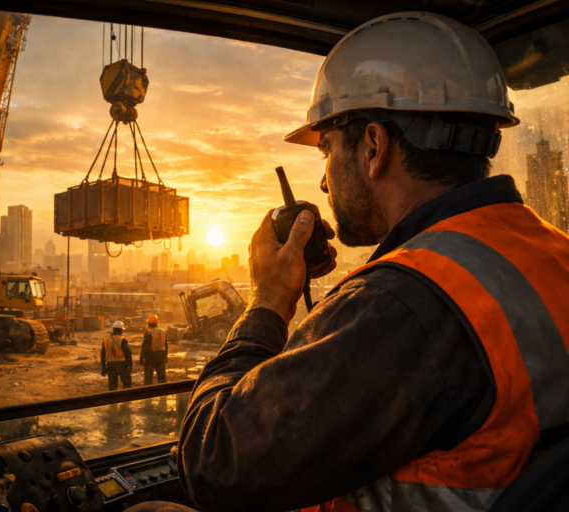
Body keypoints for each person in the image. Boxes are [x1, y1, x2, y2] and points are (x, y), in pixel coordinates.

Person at [177, 11, 569, 512]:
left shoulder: (402, 303)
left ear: (374, 147)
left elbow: (215, 463)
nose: (322, 182)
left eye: (325, 150)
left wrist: (270, 299)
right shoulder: (548, 249)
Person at [100, 320, 133, 391]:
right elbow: (128, 353)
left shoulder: (106, 340)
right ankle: (127, 401)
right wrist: (130, 365)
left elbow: (102, 354)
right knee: (127, 385)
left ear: (113, 329)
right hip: (122, 365)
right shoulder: (122, 340)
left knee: (112, 387)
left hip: (110, 366)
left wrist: (103, 367)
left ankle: (113, 401)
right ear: (121, 330)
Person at [140, 314, 168, 385]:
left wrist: (141, 359)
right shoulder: (163, 332)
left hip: (150, 358)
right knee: (162, 380)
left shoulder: (148, 333)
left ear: (149, 323)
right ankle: (164, 394)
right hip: (161, 357)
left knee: (148, 381)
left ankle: (148, 394)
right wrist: (165, 356)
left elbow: (145, 348)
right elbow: (166, 346)